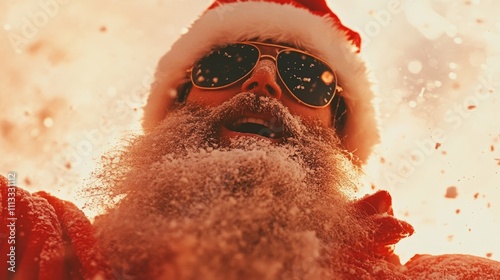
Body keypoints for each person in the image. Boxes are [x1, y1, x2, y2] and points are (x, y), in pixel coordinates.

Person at [1, 0, 500, 279]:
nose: (262, 81)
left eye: (306, 76)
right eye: (225, 65)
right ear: (175, 106)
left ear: (340, 133)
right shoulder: (36, 242)